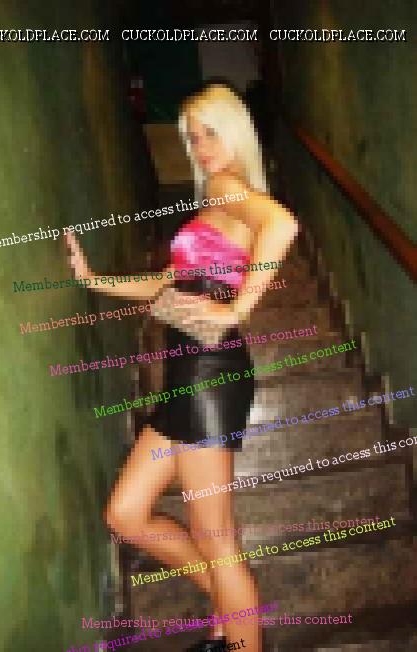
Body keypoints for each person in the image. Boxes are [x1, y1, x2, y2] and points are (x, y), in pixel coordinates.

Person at [66, 83, 298, 652]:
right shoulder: (213, 204)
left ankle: (240, 641)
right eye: (193, 138)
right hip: (185, 376)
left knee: (216, 538)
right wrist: (95, 281)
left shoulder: (228, 187)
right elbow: (166, 285)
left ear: (235, 131)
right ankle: (229, 611)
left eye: (211, 133)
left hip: (207, 375)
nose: (201, 147)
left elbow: (283, 225)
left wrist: (239, 307)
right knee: (125, 514)